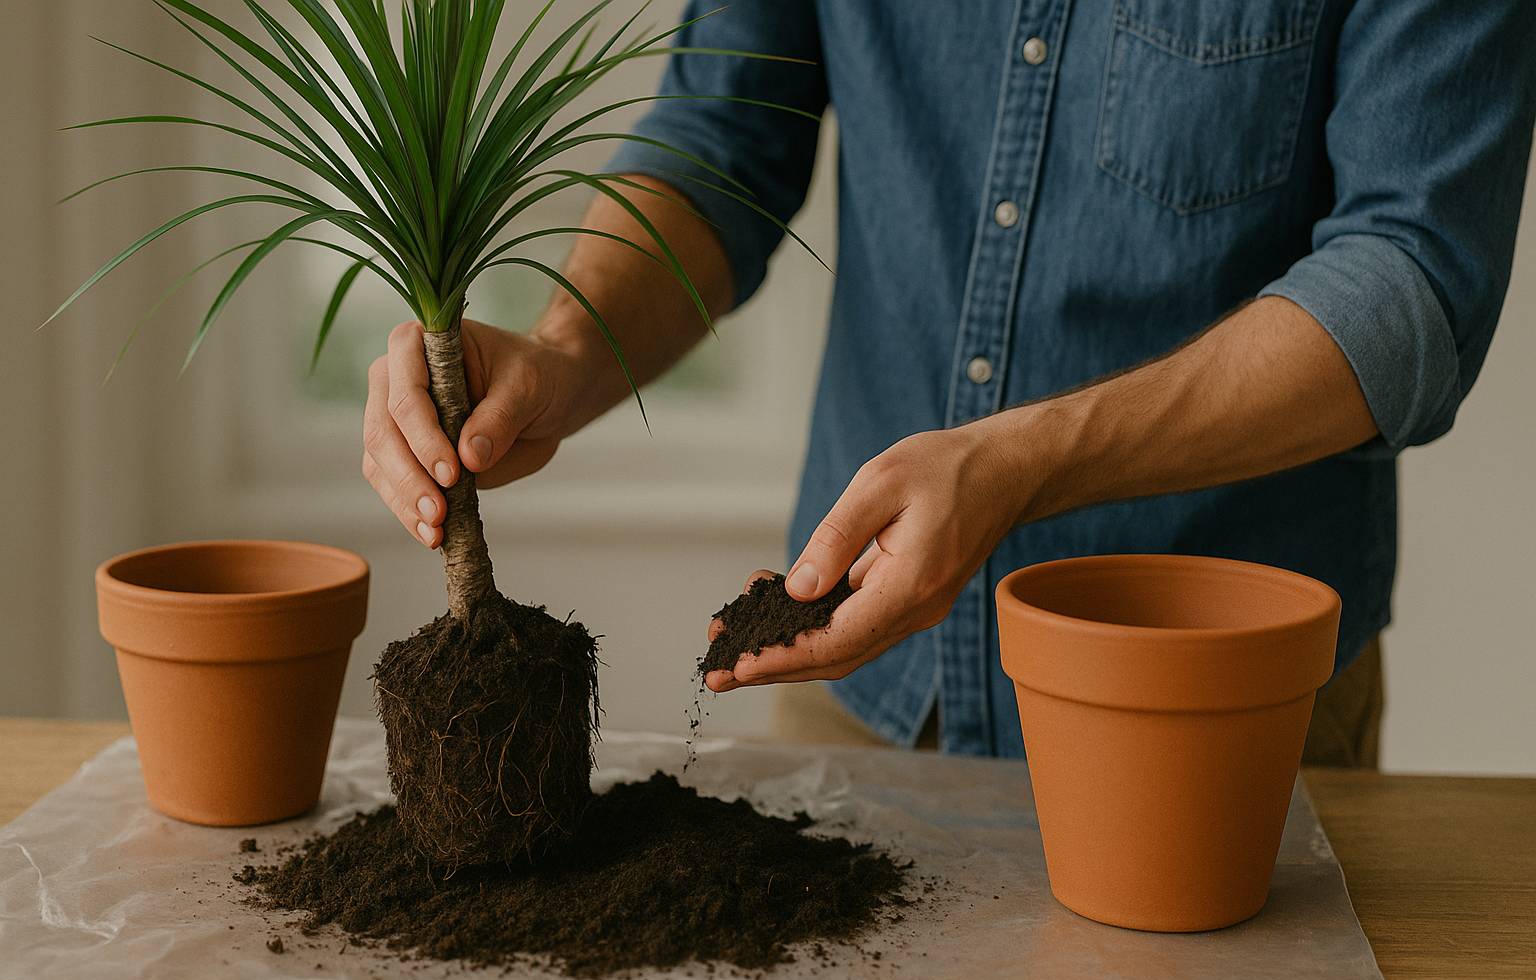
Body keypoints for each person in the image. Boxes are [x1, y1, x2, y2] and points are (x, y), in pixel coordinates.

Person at [362, 1, 1536, 767]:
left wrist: (1024, 461)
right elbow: (723, 138)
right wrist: (567, 350)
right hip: (860, 678)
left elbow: (1416, 282)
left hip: (1214, 708)